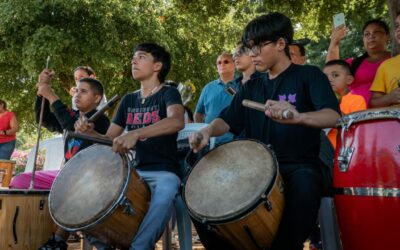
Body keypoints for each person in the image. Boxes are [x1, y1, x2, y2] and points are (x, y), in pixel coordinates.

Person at [189, 12, 340, 250]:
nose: (252, 54)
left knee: (305, 185)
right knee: (200, 201)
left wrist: (299, 116)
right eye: (249, 48)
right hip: (255, 168)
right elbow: (227, 121)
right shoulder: (252, 87)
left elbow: (333, 115)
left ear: (281, 44)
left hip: (298, 166)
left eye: (258, 46)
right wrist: (207, 131)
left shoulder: (309, 75)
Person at [74, 42, 184, 250]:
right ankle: (104, 243)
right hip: (132, 172)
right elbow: (109, 140)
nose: (134, 60)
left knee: (167, 189)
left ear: (157, 66)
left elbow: (177, 121)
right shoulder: (128, 100)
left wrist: (136, 133)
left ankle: (139, 247)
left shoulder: (168, 93)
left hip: (163, 170)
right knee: (87, 191)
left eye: (141, 57)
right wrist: (91, 133)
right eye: (134, 57)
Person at [10, 73, 110, 250]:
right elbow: (45, 120)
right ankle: (28, 233)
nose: (77, 95)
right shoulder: (72, 115)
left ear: (97, 98)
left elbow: (71, 126)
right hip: (65, 174)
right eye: (76, 91)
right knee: (19, 180)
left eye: (84, 91)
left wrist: (51, 95)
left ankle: (57, 240)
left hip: (88, 177)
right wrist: (42, 94)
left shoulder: (100, 119)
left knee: (72, 186)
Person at [326, 18, 391, 106]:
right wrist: (334, 42)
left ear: (388, 37)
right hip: (353, 115)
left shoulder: (396, 60)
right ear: (363, 40)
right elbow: (330, 72)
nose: (371, 36)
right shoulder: (354, 64)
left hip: (390, 115)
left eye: (377, 32)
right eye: (367, 34)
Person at [194, 52, 238, 145]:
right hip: (209, 142)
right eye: (219, 62)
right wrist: (201, 132)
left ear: (234, 64)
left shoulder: (241, 85)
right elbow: (198, 114)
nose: (222, 64)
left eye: (226, 61)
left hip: (235, 142)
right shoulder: (208, 88)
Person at [323, 60, 366, 149]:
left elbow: (356, 128)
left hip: (344, 149)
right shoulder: (319, 99)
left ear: (349, 80)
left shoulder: (356, 100)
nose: (329, 79)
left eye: (335, 75)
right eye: (324, 77)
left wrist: (332, 111)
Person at [370, 12, 400, 108]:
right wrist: (389, 98)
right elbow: (373, 103)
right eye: (397, 26)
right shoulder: (385, 66)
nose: (399, 29)